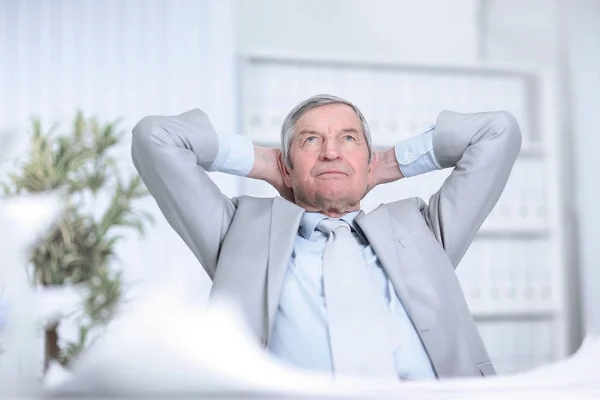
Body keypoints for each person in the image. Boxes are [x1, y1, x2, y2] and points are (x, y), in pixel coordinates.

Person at [131, 94, 521, 380]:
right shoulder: (237, 229)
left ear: (368, 160)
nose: (332, 153)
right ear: (287, 165)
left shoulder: (424, 228)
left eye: (349, 139)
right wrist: (265, 164)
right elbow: (155, 138)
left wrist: (389, 163)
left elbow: (497, 133)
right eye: (311, 140)